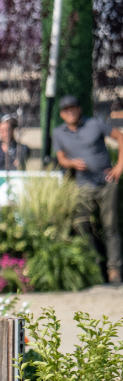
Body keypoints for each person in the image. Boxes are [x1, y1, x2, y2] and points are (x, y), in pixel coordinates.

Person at [52, 95, 123, 284]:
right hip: (82, 186)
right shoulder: (58, 133)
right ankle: (94, 268)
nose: (70, 111)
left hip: (106, 183)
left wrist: (119, 167)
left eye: (73, 107)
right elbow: (61, 159)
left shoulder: (95, 124)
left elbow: (120, 137)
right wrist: (72, 163)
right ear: (61, 114)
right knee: (81, 226)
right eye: (66, 109)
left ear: (78, 109)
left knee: (111, 226)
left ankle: (114, 270)